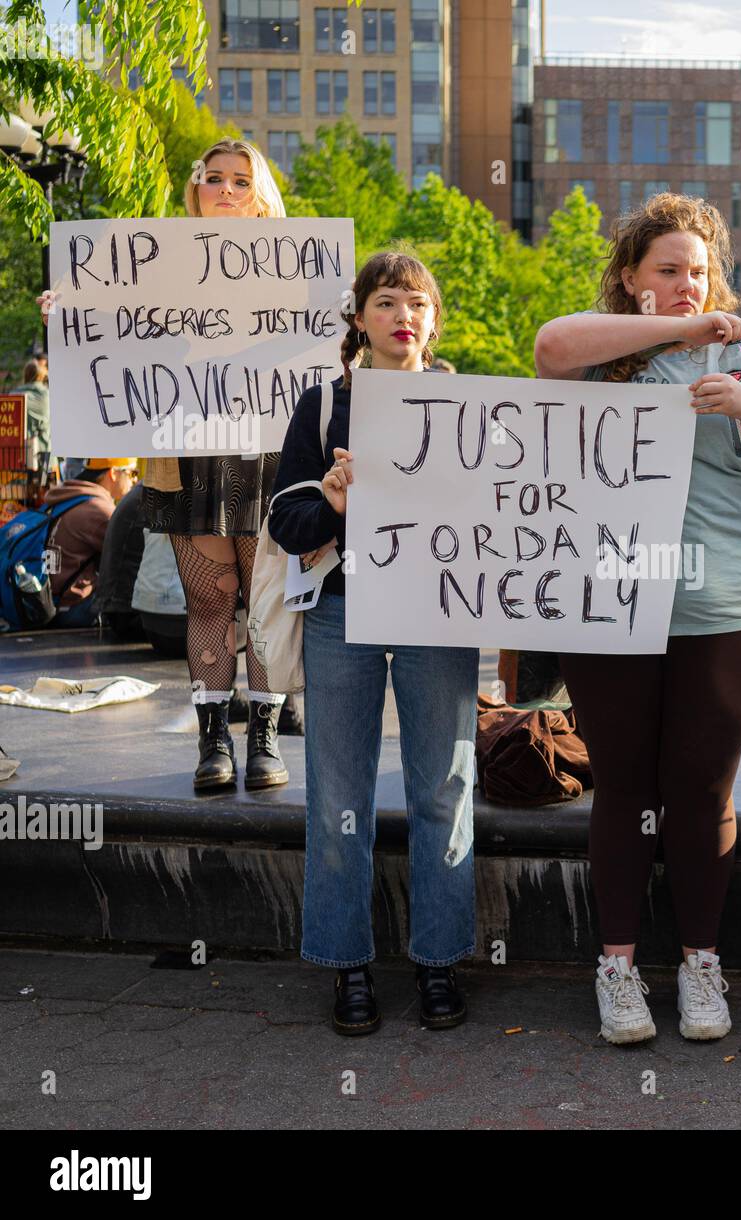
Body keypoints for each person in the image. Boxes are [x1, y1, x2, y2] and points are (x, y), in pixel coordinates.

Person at [534, 193, 741, 1045]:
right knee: (624, 784)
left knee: (702, 788)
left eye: (699, 274)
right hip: (612, 604)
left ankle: (701, 962)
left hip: (728, 607)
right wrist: (669, 334)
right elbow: (550, 348)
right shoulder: (603, 353)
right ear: (630, 279)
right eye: (667, 272)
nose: (687, 287)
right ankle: (618, 967)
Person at [269, 250, 479, 1038]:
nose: (404, 316)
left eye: (418, 303)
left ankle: (439, 959)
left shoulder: (468, 404)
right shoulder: (322, 405)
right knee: (337, 797)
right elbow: (286, 526)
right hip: (342, 617)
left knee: (442, 790)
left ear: (434, 320)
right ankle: (346, 962)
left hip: (438, 617)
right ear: (359, 317)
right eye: (388, 301)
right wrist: (327, 498)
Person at [42, 139, 292, 791]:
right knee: (212, 598)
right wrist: (68, 308)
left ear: (263, 194)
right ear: (196, 189)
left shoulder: (300, 268)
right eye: (215, 179)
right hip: (191, 451)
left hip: (269, 453)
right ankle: (214, 741)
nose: (228, 190)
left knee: (264, 603)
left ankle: (264, 736)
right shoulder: (156, 259)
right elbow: (110, 322)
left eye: (242, 180)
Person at [43, 458, 137, 627]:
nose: (134, 481)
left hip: (46, 602)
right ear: (113, 473)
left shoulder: (68, 496)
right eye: (131, 473)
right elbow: (134, 556)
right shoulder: (99, 510)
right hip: (73, 608)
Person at [12, 357, 50, 476]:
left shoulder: (13, 396)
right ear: (41, 375)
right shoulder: (47, 395)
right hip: (45, 454)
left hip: (17, 455)